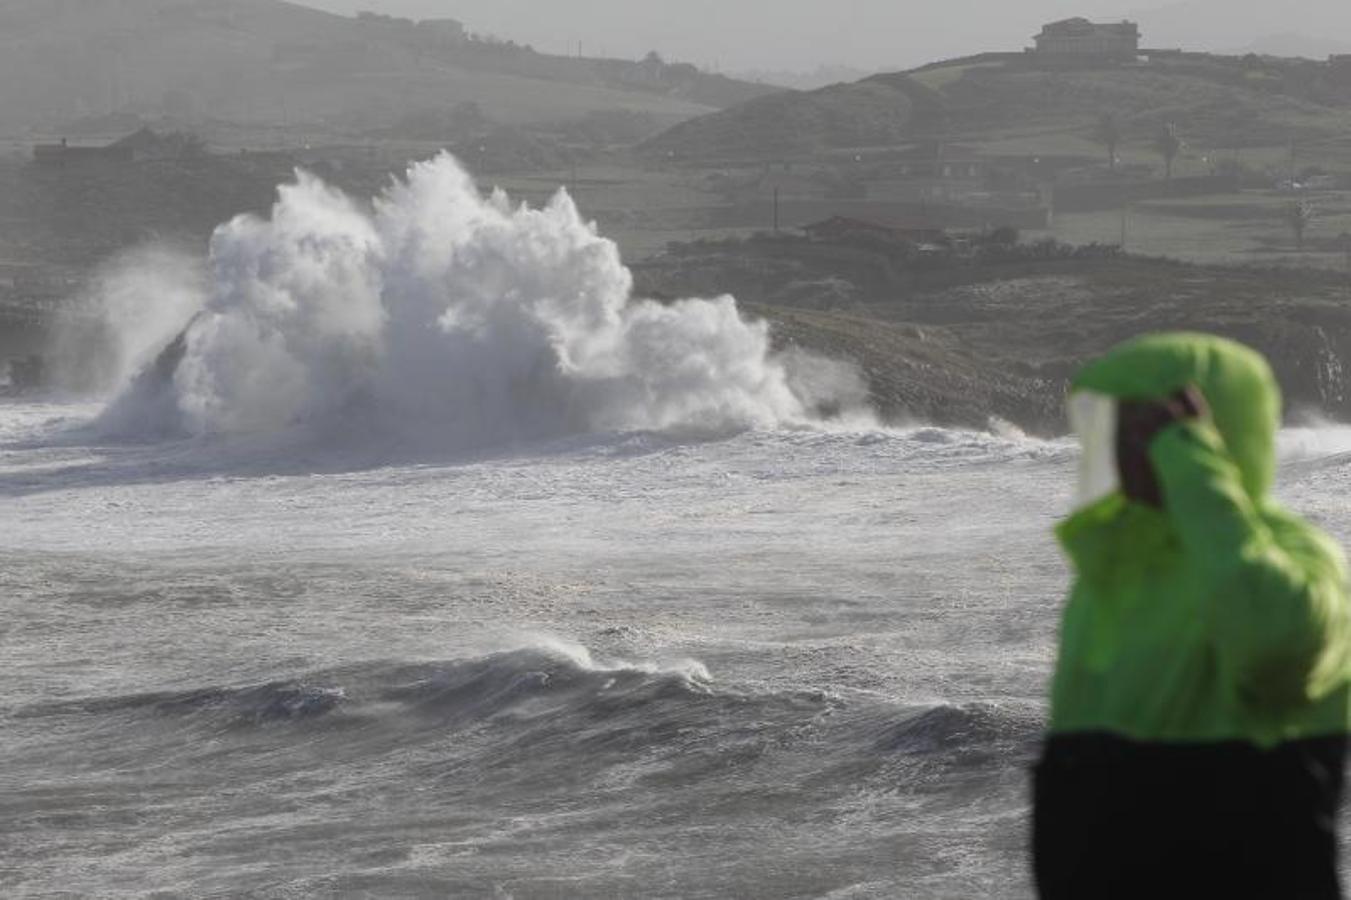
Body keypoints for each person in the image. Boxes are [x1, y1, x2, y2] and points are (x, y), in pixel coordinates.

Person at [1034, 333, 1351, 899]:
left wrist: (1188, 461)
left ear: (1217, 436)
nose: (1128, 452)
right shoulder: (1112, 573)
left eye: (1150, 432)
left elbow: (1274, 646)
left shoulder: (1299, 556)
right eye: (1120, 431)